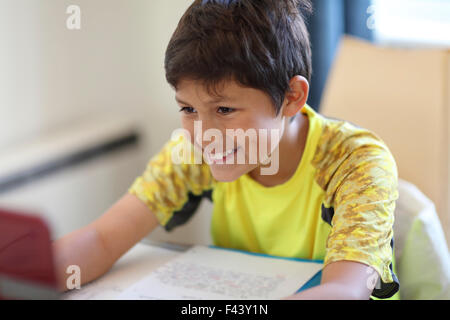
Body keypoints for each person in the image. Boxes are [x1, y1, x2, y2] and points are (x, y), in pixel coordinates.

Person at [52, 0, 400, 300]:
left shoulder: (355, 162)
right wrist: (27, 273)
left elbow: (345, 291)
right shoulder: (191, 153)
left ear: (292, 96)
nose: (204, 136)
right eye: (188, 109)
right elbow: (101, 239)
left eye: (224, 110)